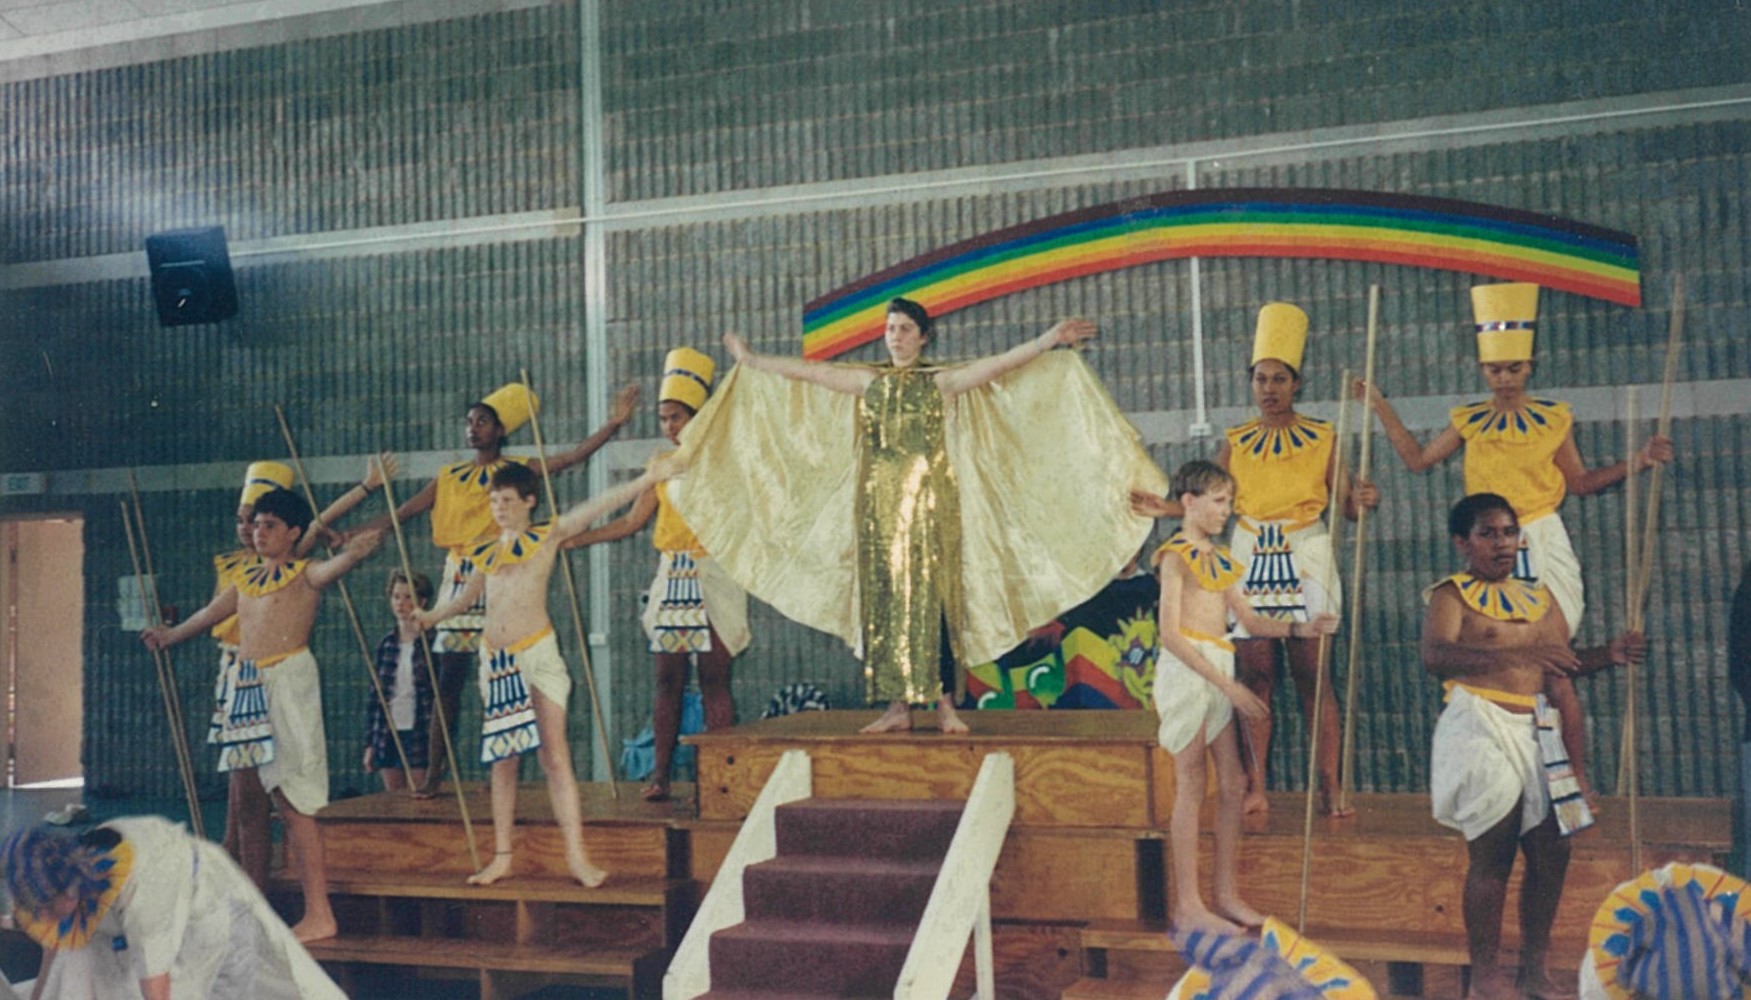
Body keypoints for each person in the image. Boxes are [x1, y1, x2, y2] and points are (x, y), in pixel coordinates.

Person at [670, 297, 1167, 734]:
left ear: (924, 337)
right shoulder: (869, 383)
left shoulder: (942, 383)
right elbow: (809, 373)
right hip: (880, 512)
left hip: (931, 509)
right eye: (890, 329)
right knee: (886, 608)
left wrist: (1048, 339)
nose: (897, 337)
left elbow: (998, 366)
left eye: (906, 328)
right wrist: (751, 360)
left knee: (935, 605)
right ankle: (897, 707)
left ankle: (945, 704)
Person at [1361, 282, 1673, 806]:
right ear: (1483, 371)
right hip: (1490, 545)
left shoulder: (1553, 418)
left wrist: (1639, 460)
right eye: (1494, 369)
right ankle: (1515, 778)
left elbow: (1580, 483)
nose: (1503, 378)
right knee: (1505, 657)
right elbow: (1416, 459)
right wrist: (1377, 404)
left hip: (1542, 538)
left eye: (1513, 368)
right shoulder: (1469, 419)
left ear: (1530, 366)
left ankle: (1574, 780)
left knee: (1556, 665)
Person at [1132, 303, 1378, 817]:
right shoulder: (1237, 441)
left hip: (1306, 552)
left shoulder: (1324, 438)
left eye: (1279, 379)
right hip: (1248, 554)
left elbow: (1350, 510)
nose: (1269, 388)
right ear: (1251, 384)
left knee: (1314, 674)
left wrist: (1362, 499)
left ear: (1296, 384)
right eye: (1261, 378)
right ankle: (1255, 786)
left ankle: (1332, 785)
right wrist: (1165, 507)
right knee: (1255, 674)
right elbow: (1205, 497)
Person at [354, 381, 638, 797]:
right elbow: (402, 513)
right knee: (448, 682)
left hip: (504, 575)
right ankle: (434, 774)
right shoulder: (450, 476)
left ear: (500, 429)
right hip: (460, 577)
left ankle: (506, 771)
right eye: (469, 422)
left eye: (482, 422)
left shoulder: (516, 472)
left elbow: (574, 457)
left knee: (508, 678)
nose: (473, 429)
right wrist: (350, 533)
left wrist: (613, 423)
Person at [1423, 493, 1643, 1000]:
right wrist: (1525, 649)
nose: (1502, 543)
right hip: (1480, 726)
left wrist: (1607, 655)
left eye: (1508, 532)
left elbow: (1560, 674)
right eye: (1488, 533)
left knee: (1553, 852)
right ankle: (1484, 978)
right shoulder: (1450, 597)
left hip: (1539, 731)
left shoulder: (1539, 598)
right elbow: (1436, 655)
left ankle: (1533, 970)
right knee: (1493, 857)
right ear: (1463, 542)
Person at [144, 488, 385, 942]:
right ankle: (252, 904)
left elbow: (337, 566)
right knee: (248, 798)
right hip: (246, 685)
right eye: (255, 524)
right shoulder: (246, 579)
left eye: (269, 525)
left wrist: (357, 550)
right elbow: (208, 614)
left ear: (294, 532)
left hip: (288, 682)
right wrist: (169, 635)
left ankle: (320, 912)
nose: (258, 532)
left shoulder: (306, 573)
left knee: (295, 802)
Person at [416, 461, 666, 887]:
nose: (499, 508)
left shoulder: (548, 535)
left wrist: (646, 480)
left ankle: (577, 856)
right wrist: (431, 615)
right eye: (494, 501)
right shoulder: (487, 550)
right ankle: (502, 856)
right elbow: (465, 598)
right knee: (504, 760)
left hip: (539, 653)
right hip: (496, 660)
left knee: (554, 755)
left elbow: (597, 506)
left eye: (508, 501)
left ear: (529, 501)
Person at [1152, 460, 1338, 935]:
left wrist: (1300, 626)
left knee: (1233, 785)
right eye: (1218, 501)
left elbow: (1252, 623)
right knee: (1192, 782)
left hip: (1217, 666)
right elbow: (1171, 635)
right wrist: (1229, 687)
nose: (1226, 511)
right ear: (1189, 502)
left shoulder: (1220, 560)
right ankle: (1188, 905)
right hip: (1190, 670)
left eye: (1230, 502)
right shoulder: (1174, 555)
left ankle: (1225, 894)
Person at [565, 348, 750, 801]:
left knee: (714, 678)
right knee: (668, 679)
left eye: (677, 417)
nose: (669, 427)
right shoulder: (660, 466)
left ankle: (719, 778)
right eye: (664, 419)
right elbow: (630, 522)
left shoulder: (726, 459)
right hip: (673, 574)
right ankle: (661, 775)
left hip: (714, 571)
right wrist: (576, 539)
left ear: (698, 415)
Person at [209, 457, 395, 889]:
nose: (248, 529)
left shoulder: (290, 561)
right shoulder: (234, 568)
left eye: (258, 522)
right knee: (241, 789)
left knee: (269, 787)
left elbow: (318, 521)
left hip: (276, 672)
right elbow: (211, 614)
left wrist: (365, 489)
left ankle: (252, 875)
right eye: (244, 521)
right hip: (237, 672)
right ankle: (236, 864)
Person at [3, 817, 345, 999]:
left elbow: (156, 984)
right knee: (82, 970)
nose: (45, 917)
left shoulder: (144, 886)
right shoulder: (48, 880)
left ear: (71, 890)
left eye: (49, 908)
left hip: (209, 909)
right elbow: (55, 942)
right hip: (132, 927)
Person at [362, 569, 436, 794]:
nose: (400, 603)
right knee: (393, 799)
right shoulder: (386, 644)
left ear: (421, 601)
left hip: (420, 732)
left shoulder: (432, 643)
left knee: (420, 796)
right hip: (388, 732)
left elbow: (437, 699)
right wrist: (370, 744)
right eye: (396, 596)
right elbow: (376, 698)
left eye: (408, 597)